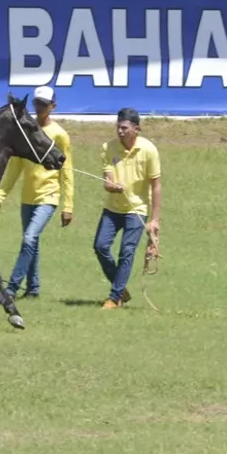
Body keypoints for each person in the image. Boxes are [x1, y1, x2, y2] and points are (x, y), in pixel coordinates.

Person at [0, 85, 75, 301]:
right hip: (27, 198)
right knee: (32, 242)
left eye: (43, 104)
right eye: (36, 103)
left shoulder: (59, 134)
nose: (39, 108)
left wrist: (68, 205)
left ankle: (11, 288)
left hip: (48, 196)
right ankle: (33, 288)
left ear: (53, 107)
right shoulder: (27, 132)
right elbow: (15, 169)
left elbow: (67, 172)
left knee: (30, 238)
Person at [94, 107, 161, 310]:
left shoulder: (149, 150)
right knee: (100, 246)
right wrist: (112, 187)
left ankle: (114, 298)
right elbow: (107, 181)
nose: (120, 131)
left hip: (137, 210)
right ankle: (120, 288)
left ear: (136, 129)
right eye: (118, 127)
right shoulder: (108, 148)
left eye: (124, 128)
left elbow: (156, 185)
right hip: (113, 208)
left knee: (127, 252)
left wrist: (155, 220)